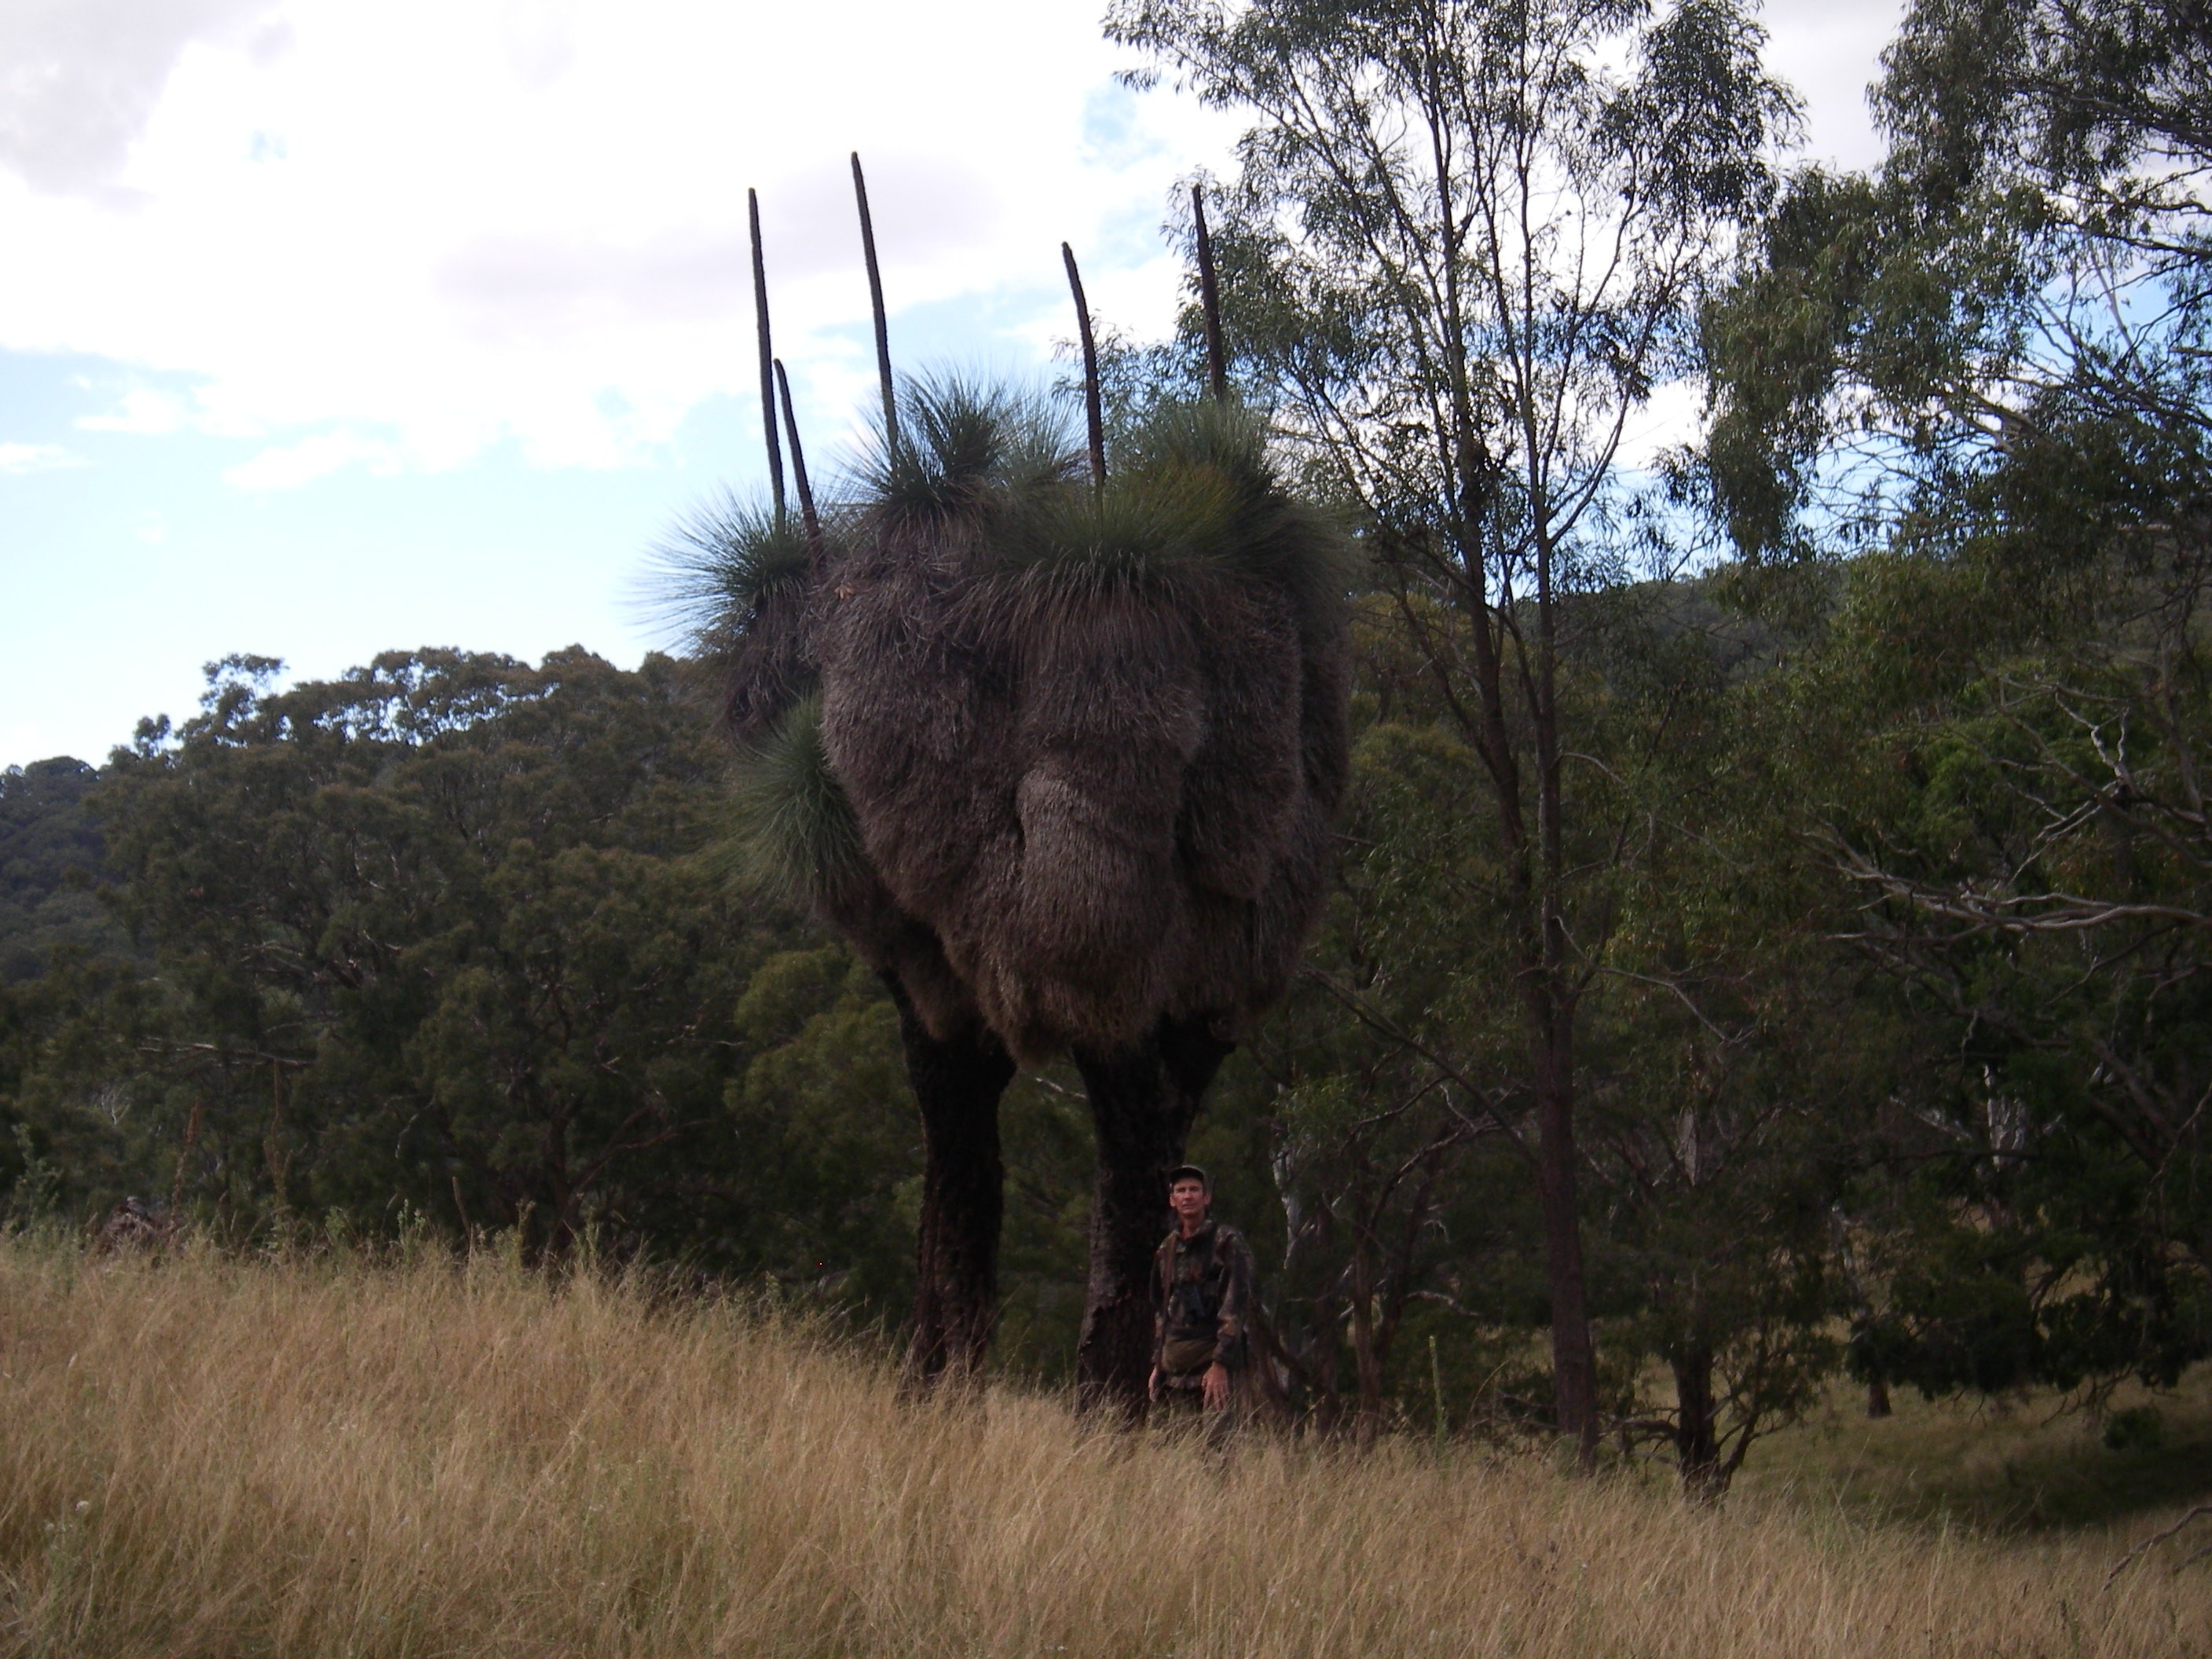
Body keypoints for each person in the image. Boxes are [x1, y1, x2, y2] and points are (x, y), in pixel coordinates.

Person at [1148, 1164, 1257, 1424]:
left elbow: (1236, 1307)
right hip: (1174, 1370)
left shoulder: (1227, 1242)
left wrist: (1220, 1365)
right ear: (1172, 1200)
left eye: (1194, 1190)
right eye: (1181, 1191)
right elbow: (1161, 1310)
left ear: (1206, 1197)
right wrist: (1157, 1363)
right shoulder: (1167, 1250)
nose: (1188, 1196)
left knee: (1216, 1453)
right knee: (1173, 1455)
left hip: (1213, 1369)